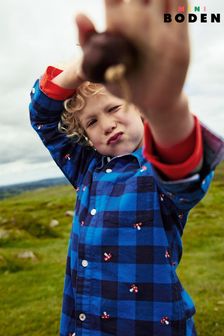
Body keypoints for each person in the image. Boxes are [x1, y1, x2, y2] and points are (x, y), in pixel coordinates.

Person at [29, 0, 224, 335]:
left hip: (150, 323)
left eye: (114, 106)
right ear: (85, 136)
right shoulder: (86, 168)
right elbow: (43, 117)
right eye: (91, 121)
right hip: (82, 324)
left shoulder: (156, 169)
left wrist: (167, 112)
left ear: (139, 104)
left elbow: (186, 179)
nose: (107, 124)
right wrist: (79, 72)